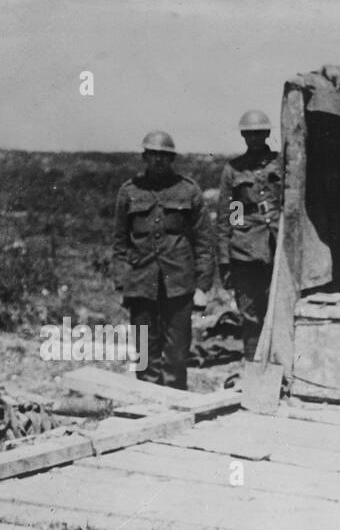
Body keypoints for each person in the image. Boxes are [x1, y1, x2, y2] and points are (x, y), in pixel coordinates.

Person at [112, 130, 214, 389]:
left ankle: (174, 402)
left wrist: (202, 286)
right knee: (145, 349)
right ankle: (147, 404)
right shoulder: (129, 191)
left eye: (164, 156)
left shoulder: (189, 190)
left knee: (177, 351)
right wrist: (123, 281)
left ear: (172, 159)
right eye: (153, 155)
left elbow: (203, 241)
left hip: (179, 283)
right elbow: (119, 242)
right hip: (141, 282)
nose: (158, 161)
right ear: (144, 157)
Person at [216, 110, 282, 361]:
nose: (254, 139)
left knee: (279, 311)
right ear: (244, 136)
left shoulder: (281, 162)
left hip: (279, 246)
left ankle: (280, 368)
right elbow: (229, 216)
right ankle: (253, 368)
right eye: (249, 134)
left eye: (259, 133)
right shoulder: (234, 170)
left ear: (267, 134)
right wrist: (225, 259)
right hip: (246, 250)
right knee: (250, 312)